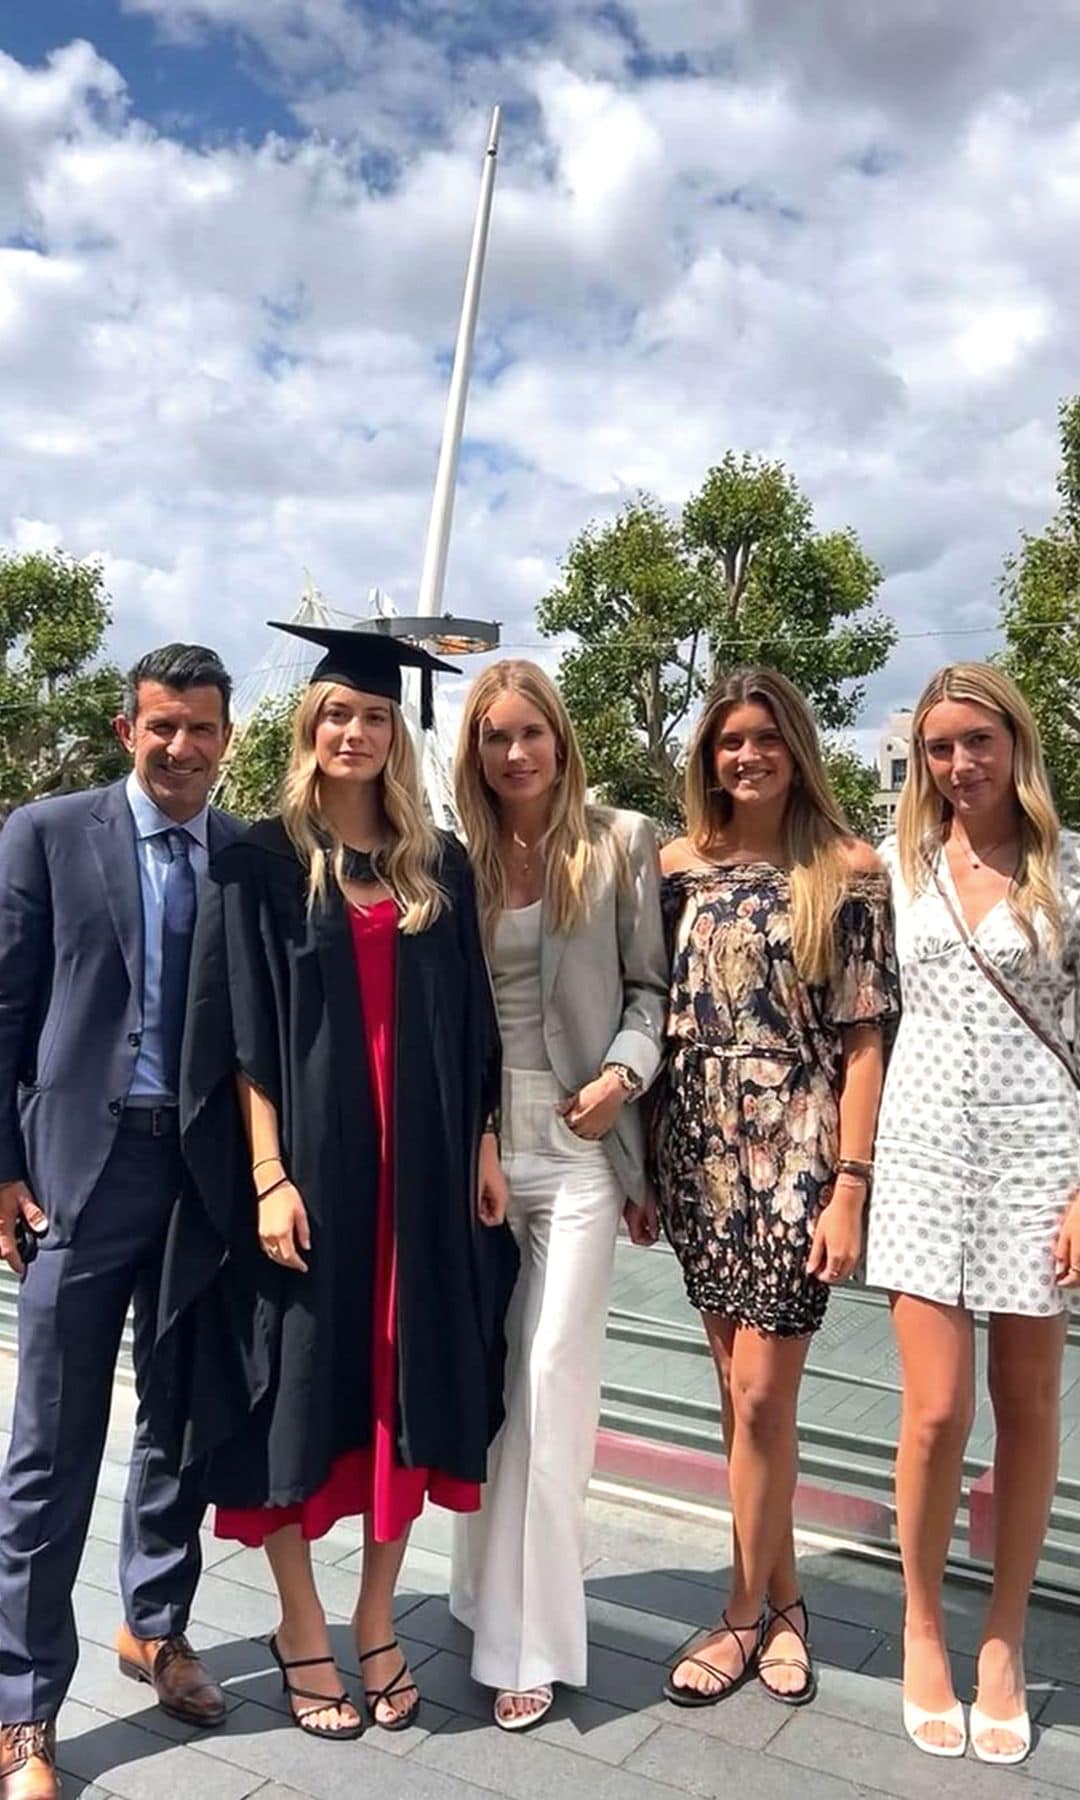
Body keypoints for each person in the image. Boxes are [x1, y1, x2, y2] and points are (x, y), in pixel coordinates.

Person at [153, 622, 517, 1743]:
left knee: (405, 1392)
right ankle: (300, 1629)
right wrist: (267, 1175)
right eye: (334, 717)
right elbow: (237, 1035)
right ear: (308, 734)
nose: (352, 731)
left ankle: (375, 1622)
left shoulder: (438, 864)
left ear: (395, 736)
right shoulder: (259, 862)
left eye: (370, 717)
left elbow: (470, 1021)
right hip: (312, 1175)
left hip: (421, 1177)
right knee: (297, 1394)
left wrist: (484, 1147)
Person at [0, 645, 238, 1800]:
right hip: (79, 1179)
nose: (180, 748)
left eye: (200, 729)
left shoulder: (249, 852)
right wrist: (1, 1165)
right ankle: (25, 1711)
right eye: (161, 727)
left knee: (181, 1419)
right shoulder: (47, 834)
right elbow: (4, 1002)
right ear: (124, 727)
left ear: (228, 736)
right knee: (49, 1445)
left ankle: (157, 1624)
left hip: (205, 1183)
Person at [653, 668, 898, 1714]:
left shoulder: (846, 870)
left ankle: (743, 1609)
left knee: (764, 1395)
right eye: (726, 743)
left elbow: (864, 1037)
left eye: (762, 739)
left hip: (798, 1151)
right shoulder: (673, 867)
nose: (744, 757)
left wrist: (852, 1186)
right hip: (695, 1152)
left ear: (796, 747)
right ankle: (786, 1601)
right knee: (737, 1400)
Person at [864, 663, 1080, 1766]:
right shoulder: (899, 863)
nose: (959, 765)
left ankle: (1003, 1638)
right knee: (937, 1411)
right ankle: (921, 1627)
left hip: (1044, 1153)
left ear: (1015, 742)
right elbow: (763, 841)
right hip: (922, 1155)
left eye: (977, 742)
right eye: (940, 746)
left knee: (1028, 1404)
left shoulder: (1071, 865)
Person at [447, 659, 667, 1731]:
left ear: (560, 738)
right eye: (496, 737)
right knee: (491, 1388)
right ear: (475, 751)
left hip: (581, 1147)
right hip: (482, 1157)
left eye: (531, 732)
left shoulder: (619, 840)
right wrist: (479, 1136)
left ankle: (528, 1643)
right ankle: (483, 1587)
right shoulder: (454, 858)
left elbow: (649, 989)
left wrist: (622, 1075)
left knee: (552, 1386)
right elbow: (449, 1016)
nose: (516, 753)